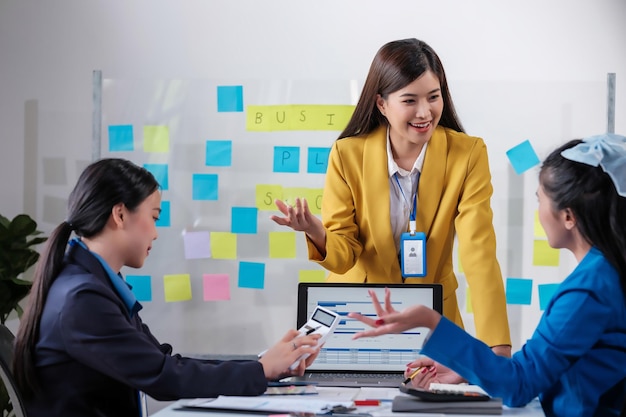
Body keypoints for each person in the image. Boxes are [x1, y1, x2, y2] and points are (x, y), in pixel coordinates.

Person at [12, 158, 321, 417]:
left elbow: (164, 363)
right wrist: (260, 370)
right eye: (154, 217)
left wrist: (262, 366)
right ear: (120, 214)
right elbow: (163, 377)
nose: (157, 234)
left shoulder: (95, 285)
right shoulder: (83, 298)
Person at [271, 38, 512, 370]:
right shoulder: (347, 155)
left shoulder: (467, 154)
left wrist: (496, 349)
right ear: (382, 104)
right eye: (409, 100)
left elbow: (479, 253)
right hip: (355, 319)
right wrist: (314, 229)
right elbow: (343, 257)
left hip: (432, 317)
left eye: (434, 96)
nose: (425, 112)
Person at [347, 134, 626, 417]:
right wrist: (467, 367)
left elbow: (519, 385)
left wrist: (429, 320)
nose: (539, 210)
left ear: (568, 216)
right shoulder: (604, 272)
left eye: (540, 199)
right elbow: (543, 366)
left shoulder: (588, 290)